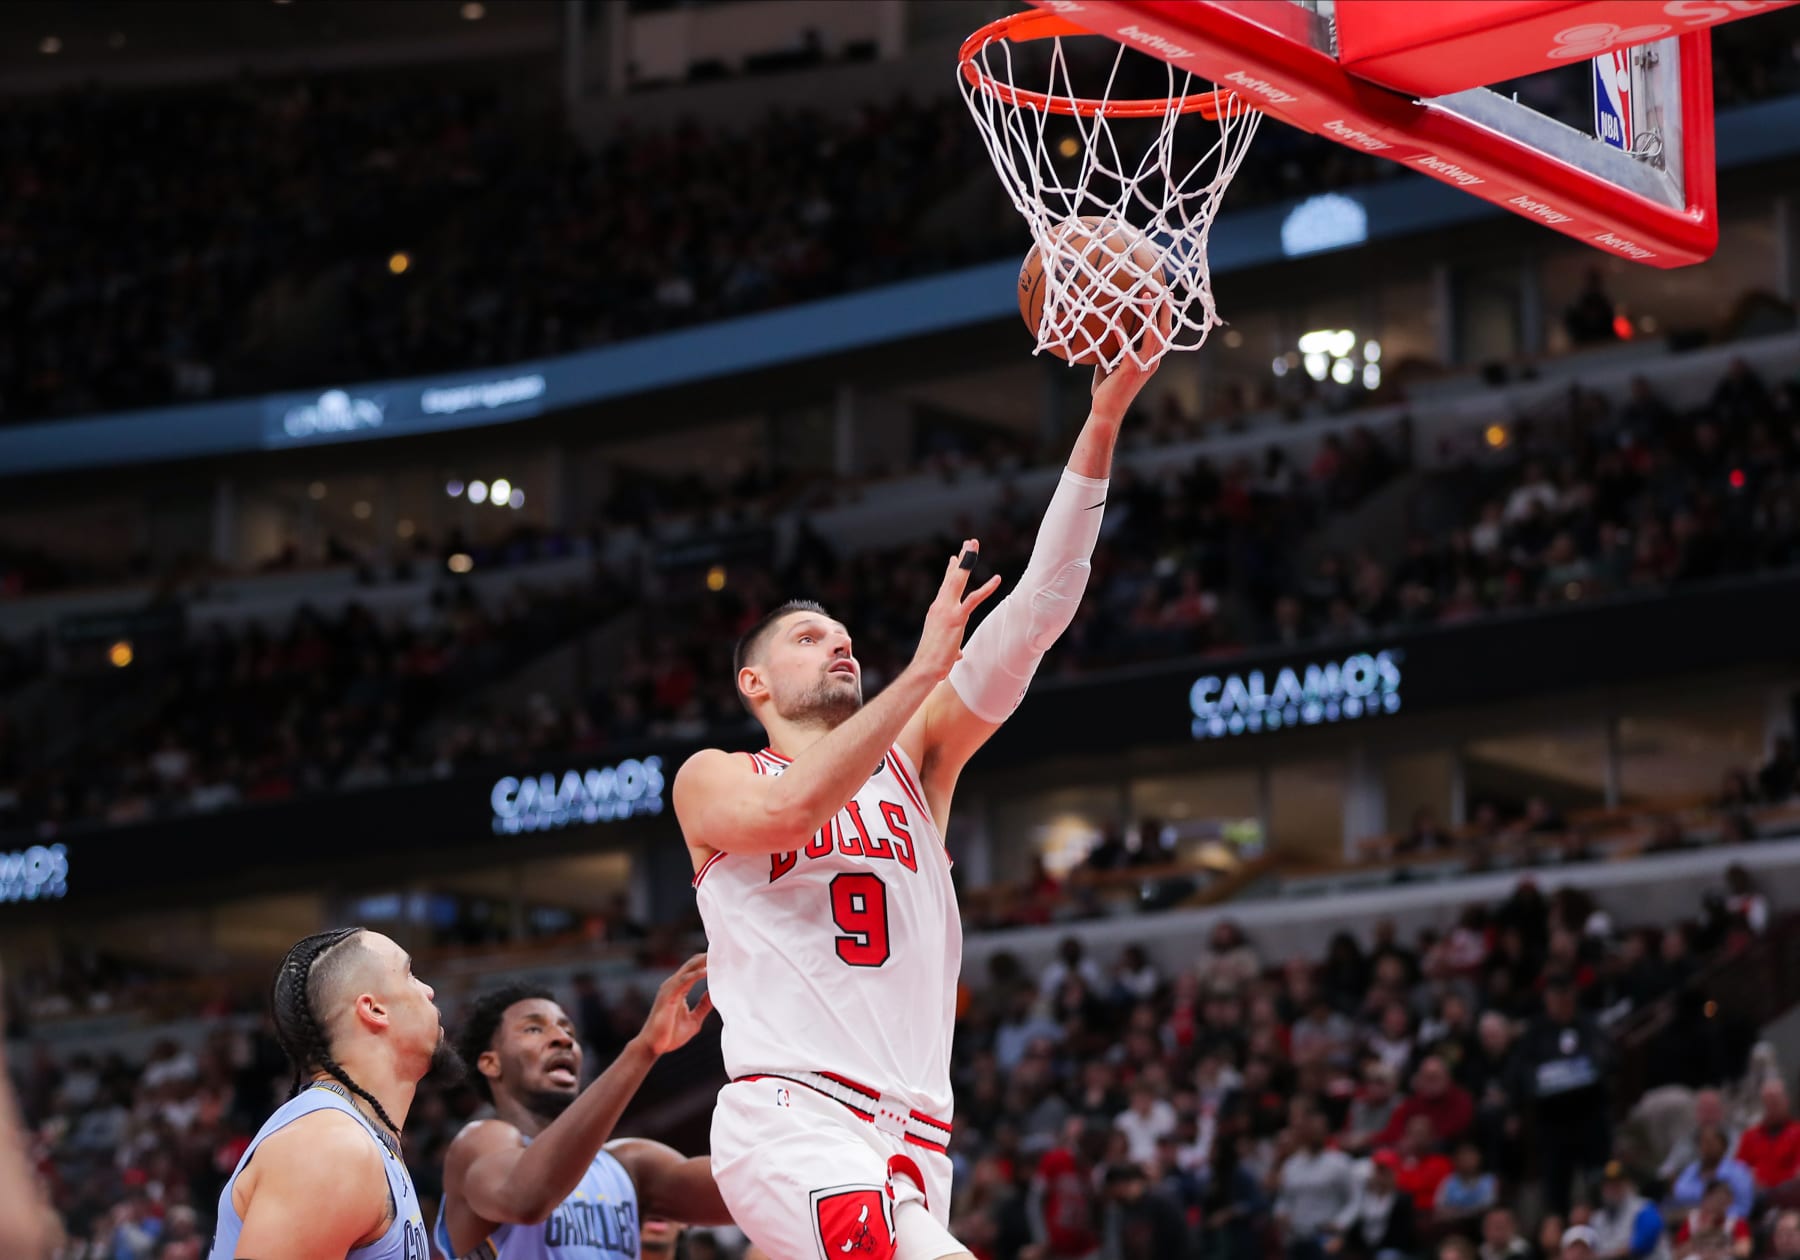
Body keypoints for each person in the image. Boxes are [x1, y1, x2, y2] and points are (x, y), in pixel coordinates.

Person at [673, 345, 1165, 1260]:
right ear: (754, 682)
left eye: (846, 636)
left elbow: (1040, 612)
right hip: (792, 1117)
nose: (839, 647)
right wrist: (921, 675)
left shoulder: (917, 757)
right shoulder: (715, 775)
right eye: (811, 637)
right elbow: (790, 819)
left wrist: (1100, 422)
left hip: (917, 1142)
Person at [436, 958, 732, 1259]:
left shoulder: (632, 1164)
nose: (562, 1039)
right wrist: (643, 1048)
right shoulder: (480, 1141)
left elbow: (750, 1191)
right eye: (534, 1029)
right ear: (491, 1062)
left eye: (568, 1031)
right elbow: (526, 1200)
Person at [209, 927, 459, 1260]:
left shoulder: (352, 1135)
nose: (428, 990)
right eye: (409, 975)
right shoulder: (332, 1146)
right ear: (374, 1010)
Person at [1671, 1127, 1756, 1219]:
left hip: (1728, 1224)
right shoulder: (1692, 1170)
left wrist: (1716, 1214)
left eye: (1713, 1142)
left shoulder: (1738, 1171)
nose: (1708, 1146)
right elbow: (1680, 1193)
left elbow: (1743, 1207)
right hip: (1694, 1221)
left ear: (1724, 1146)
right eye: (1704, 1142)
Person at [1731, 1080, 1800, 1190]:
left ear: (1786, 1102)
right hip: (1756, 1195)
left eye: (1776, 1103)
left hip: (1789, 1194)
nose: (1772, 1108)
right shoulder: (1750, 1136)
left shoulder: (1797, 1133)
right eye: (1768, 1104)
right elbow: (1738, 1169)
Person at [1590, 1162, 1667, 1260]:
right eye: (1609, 1184)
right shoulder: (1597, 1218)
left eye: (1617, 1184)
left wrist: (1602, 1256)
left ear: (1628, 1185)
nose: (1612, 1189)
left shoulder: (1644, 1208)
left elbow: (1640, 1246)